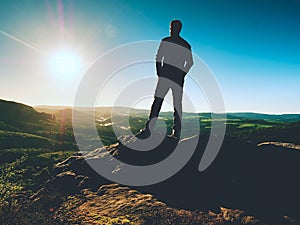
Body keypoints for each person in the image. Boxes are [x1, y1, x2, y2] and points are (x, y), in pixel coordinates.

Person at [137, 20, 193, 139]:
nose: (172, 29)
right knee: (176, 104)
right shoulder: (185, 44)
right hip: (175, 77)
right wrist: (182, 74)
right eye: (171, 27)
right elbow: (189, 63)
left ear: (177, 29)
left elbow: (158, 57)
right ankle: (176, 132)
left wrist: (160, 72)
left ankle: (149, 129)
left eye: (173, 27)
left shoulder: (166, 41)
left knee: (158, 101)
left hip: (166, 75)